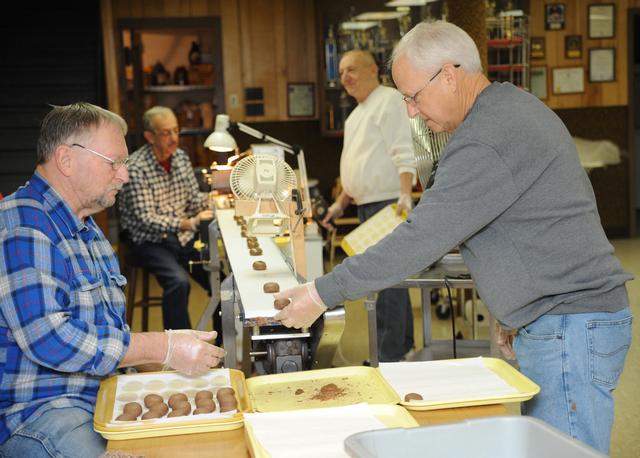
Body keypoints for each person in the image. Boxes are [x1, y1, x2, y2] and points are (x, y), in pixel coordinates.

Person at [275, 21, 633, 454]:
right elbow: (525, 227)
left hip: (569, 326)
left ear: (448, 74)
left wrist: (321, 292)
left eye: (412, 96)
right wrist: (512, 313)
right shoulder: (502, 112)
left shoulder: (488, 136)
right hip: (558, 319)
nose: (410, 111)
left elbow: (422, 237)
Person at [0, 102, 225, 458]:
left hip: (101, 397)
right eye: (114, 163)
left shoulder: (86, 227)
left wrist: (160, 365)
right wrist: (162, 347)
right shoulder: (24, 227)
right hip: (40, 415)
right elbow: (50, 338)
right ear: (66, 159)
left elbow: (103, 330)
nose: (125, 175)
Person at [321, 50, 417, 362]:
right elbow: (357, 167)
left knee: (387, 281)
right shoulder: (356, 114)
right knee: (384, 282)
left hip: (388, 205)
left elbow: (403, 149)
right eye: (342, 72)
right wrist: (339, 204)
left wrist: (405, 193)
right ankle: (399, 348)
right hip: (364, 206)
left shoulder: (388, 100)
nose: (346, 77)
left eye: (352, 69)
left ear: (373, 69)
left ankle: (389, 356)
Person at [118, 106, 220, 337]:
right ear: (150, 136)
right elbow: (146, 219)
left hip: (182, 238)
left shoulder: (181, 158)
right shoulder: (136, 168)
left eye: (176, 131)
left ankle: (224, 345)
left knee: (222, 284)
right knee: (178, 282)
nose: (174, 138)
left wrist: (216, 199)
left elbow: (193, 200)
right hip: (148, 242)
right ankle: (180, 350)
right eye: (166, 133)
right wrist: (189, 224)